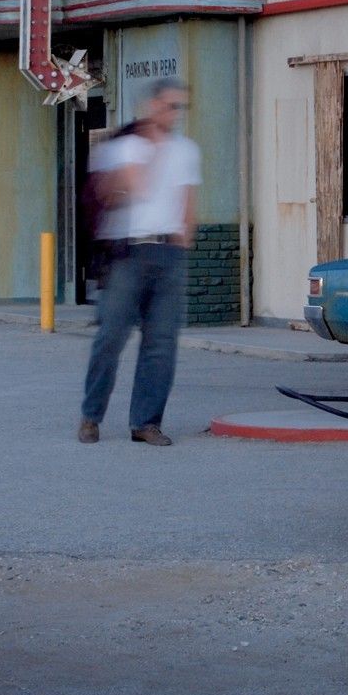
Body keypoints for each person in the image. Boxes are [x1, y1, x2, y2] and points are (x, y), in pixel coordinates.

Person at [78, 78, 200, 446]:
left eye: (180, 107)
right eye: (169, 105)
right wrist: (151, 150)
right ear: (151, 106)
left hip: (169, 253)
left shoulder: (186, 150)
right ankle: (91, 415)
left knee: (161, 341)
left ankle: (145, 423)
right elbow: (126, 191)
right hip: (128, 252)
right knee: (111, 337)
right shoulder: (121, 146)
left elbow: (187, 199)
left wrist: (185, 237)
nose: (174, 114)